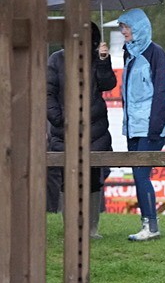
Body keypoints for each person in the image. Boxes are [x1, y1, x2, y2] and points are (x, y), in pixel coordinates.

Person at [46, 22, 118, 238]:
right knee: (68, 178)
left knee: (94, 177)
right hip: (65, 131)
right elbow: (47, 92)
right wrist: (58, 120)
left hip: (95, 131)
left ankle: (91, 229)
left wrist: (104, 61)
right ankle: (71, 228)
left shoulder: (97, 58)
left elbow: (108, 84)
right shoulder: (56, 59)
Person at [117, 8, 165, 241]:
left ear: (138, 28)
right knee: (138, 175)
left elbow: (161, 92)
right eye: (121, 28)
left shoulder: (155, 53)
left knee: (141, 176)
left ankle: (151, 226)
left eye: (126, 27)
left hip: (151, 128)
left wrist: (154, 128)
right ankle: (147, 225)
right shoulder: (128, 55)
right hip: (133, 128)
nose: (123, 32)